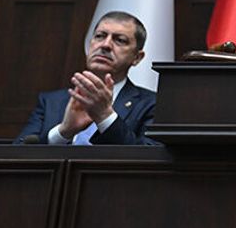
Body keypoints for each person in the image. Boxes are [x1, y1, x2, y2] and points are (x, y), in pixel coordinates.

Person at [14, 11, 159, 145]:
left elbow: (149, 158)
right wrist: (63, 132)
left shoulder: (152, 105)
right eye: (100, 36)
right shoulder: (50, 102)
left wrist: (105, 116)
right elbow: (18, 154)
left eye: (120, 40)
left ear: (137, 57)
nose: (106, 45)